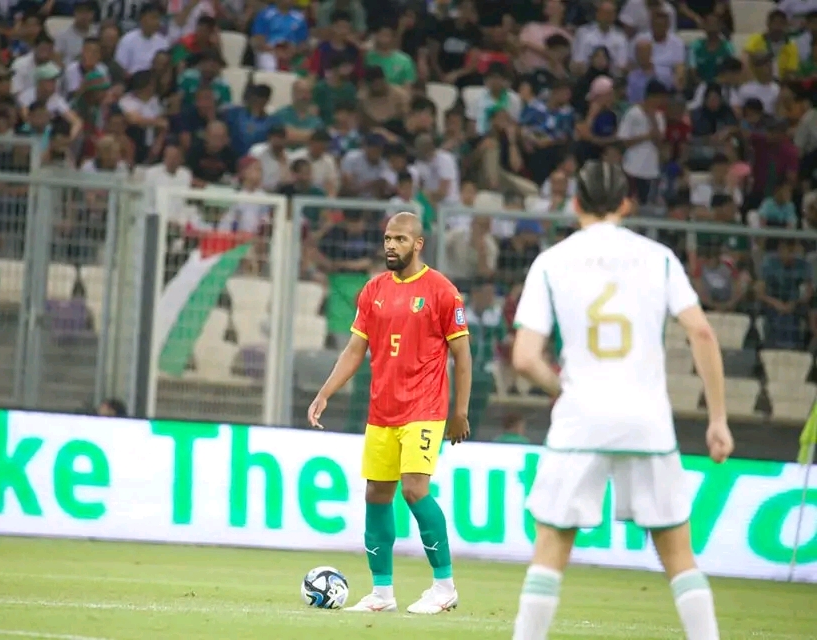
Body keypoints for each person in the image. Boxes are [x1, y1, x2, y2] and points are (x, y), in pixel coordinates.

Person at [509, 160, 734, 640]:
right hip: (646, 421)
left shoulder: (551, 261)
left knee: (551, 546)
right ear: (626, 203)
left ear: (575, 204)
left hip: (580, 421)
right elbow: (701, 331)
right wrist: (718, 418)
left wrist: (561, 389)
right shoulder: (658, 257)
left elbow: (525, 357)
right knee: (677, 553)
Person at [307, 212, 472, 615]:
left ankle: (444, 587)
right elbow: (353, 351)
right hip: (382, 411)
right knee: (377, 494)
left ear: (418, 244)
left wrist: (460, 412)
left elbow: (463, 356)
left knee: (415, 489)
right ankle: (382, 594)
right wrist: (326, 392)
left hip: (425, 408)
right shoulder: (373, 291)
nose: (390, 246)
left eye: (399, 239)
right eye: (386, 239)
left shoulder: (442, 292)